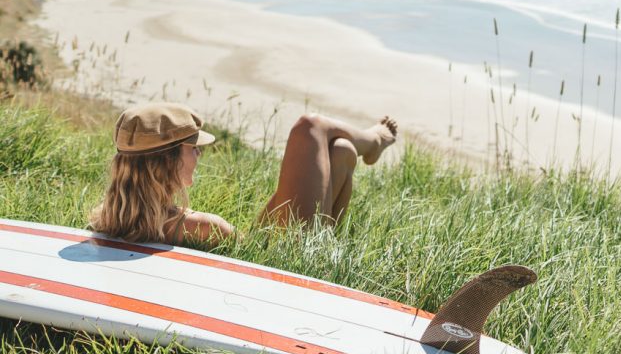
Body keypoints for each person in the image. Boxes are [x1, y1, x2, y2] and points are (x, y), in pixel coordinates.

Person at [90, 101, 397, 247]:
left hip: (269, 248)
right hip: (293, 256)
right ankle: (376, 141)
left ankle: (365, 145)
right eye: (193, 148)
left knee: (341, 151)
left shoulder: (108, 217)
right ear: (167, 162)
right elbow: (257, 255)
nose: (199, 155)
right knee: (310, 126)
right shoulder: (203, 227)